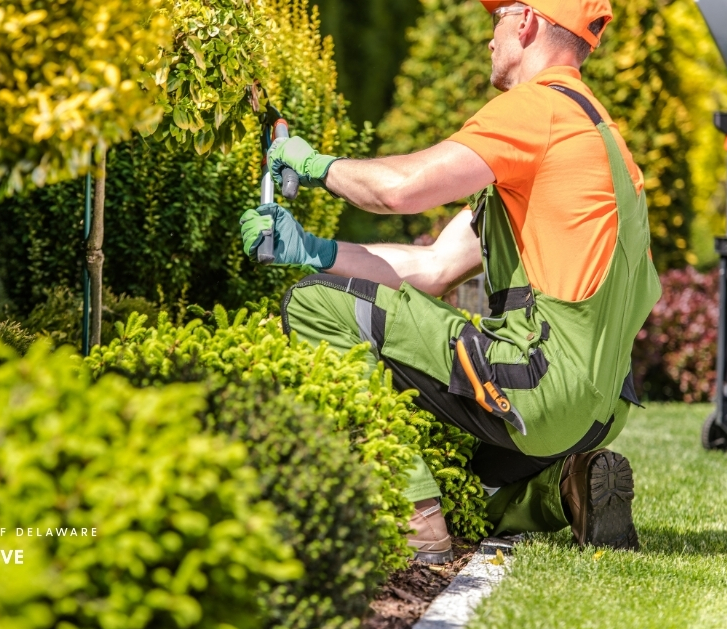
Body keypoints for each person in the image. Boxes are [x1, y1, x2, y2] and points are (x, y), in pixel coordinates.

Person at [239, 0, 660, 562]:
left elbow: (400, 190)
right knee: (458, 477)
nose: (490, 39)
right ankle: (566, 490)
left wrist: (315, 164)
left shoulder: (539, 108)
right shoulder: (599, 137)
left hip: (539, 385)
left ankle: (411, 520)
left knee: (315, 307)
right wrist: (312, 250)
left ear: (528, 22)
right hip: (599, 411)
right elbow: (434, 267)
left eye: (497, 21)